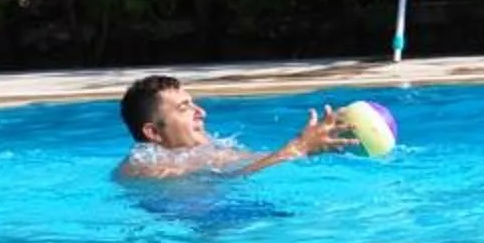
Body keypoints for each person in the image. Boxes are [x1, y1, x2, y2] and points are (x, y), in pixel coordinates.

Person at [115, 74, 357, 180]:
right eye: (184, 108)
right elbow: (223, 179)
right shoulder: (145, 166)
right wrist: (299, 147)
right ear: (153, 132)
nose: (201, 113)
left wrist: (314, 144)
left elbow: (255, 161)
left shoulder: (207, 152)